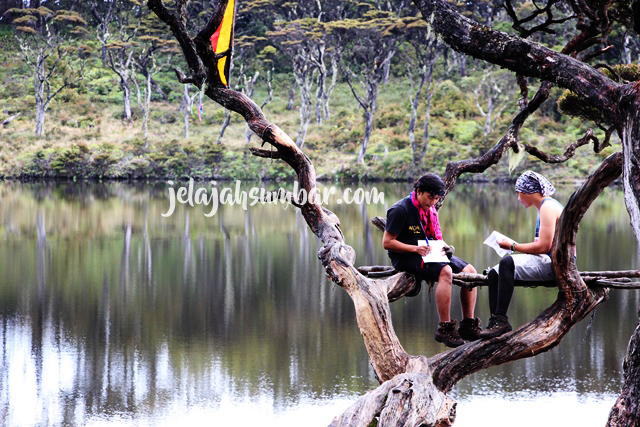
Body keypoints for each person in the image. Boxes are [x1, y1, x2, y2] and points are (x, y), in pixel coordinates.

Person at [383, 173, 481, 348]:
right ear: (419, 191)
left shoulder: (430, 210)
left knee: (470, 271)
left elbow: (434, 237)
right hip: (406, 256)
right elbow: (387, 243)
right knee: (446, 271)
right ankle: (445, 328)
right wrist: (414, 248)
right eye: (430, 197)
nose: (433, 202)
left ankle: (468, 324)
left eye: (436, 199)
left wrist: (445, 247)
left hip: (428, 251)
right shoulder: (400, 210)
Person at [479, 170, 564, 339]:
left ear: (528, 192)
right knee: (494, 272)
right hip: (549, 258)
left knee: (506, 263)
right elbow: (540, 245)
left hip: (557, 264)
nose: (518, 198)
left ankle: (501, 320)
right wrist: (513, 246)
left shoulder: (548, 207)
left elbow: (544, 246)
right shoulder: (544, 207)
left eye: (518, 194)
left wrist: (512, 245)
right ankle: (496, 322)